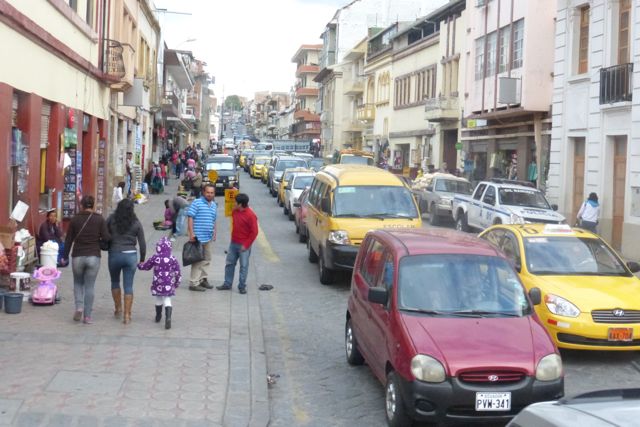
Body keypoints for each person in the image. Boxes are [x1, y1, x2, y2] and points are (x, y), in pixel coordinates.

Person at [61, 195, 110, 324]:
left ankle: (79, 307)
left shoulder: (75, 219)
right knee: (90, 286)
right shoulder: (99, 219)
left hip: (77, 256)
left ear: (81, 205)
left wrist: (64, 256)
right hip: (93, 256)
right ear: (93, 205)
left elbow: (68, 240)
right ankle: (87, 316)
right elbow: (106, 237)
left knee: (78, 283)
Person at [107, 199, 146, 324]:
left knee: (115, 282)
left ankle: (118, 308)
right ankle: (127, 315)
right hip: (130, 256)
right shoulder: (136, 222)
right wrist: (142, 259)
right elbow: (142, 243)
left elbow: (104, 234)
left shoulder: (111, 220)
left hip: (114, 254)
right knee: (128, 286)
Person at [216, 193, 258, 294]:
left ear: (240, 204)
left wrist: (246, 245)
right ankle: (227, 283)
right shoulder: (235, 211)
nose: (234, 203)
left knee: (243, 266)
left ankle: (242, 286)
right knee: (229, 264)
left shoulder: (251, 215)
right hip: (233, 243)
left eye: (235, 202)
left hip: (244, 246)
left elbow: (254, 232)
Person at [137, 237, 181, 330]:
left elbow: (147, 266)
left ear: (158, 247)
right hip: (169, 283)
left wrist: (139, 265)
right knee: (167, 299)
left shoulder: (155, 257)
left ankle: (158, 316)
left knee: (158, 299)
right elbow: (177, 272)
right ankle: (168, 318)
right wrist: (177, 282)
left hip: (158, 283)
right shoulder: (172, 258)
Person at [186, 183, 217, 291]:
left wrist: (215, 232)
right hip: (197, 237)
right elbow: (190, 218)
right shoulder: (197, 202)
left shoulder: (213, 205)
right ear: (203, 192)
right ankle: (193, 283)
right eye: (208, 192)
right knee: (197, 260)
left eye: (212, 193)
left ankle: (203, 279)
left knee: (207, 259)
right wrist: (191, 234)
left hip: (208, 237)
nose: (209, 194)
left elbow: (214, 220)